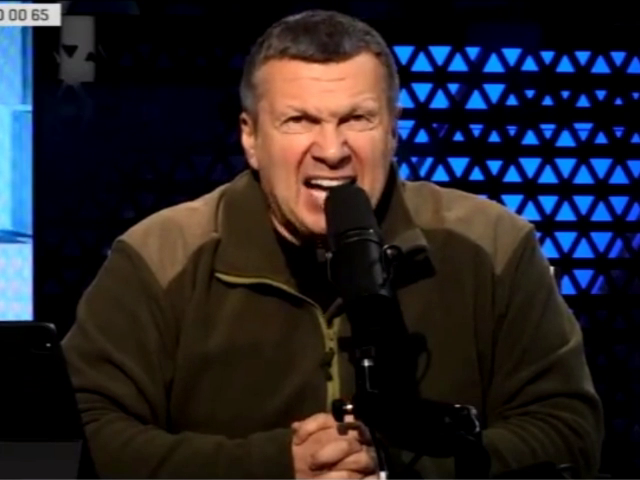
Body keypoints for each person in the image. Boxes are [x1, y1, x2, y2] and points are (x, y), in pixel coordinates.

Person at [62, 9, 604, 479]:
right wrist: (275, 468)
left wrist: (397, 470)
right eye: (299, 120)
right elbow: (81, 437)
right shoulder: (158, 257)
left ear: (392, 131)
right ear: (251, 137)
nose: (331, 149)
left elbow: (567, 430)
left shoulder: (494, 245)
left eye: (357, 118)